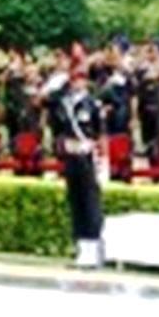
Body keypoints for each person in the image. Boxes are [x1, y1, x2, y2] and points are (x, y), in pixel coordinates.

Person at [53, 65, 107, 268]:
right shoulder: (63, 104)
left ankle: (93, 246)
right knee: (75, 200)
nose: (76, 82)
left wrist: (103, 159)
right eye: (74, 78)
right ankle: (81, 244)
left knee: (90, 201)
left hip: (87, 156)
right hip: (71, 156)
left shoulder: (92, 104)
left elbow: (101, 134)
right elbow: (58, 129)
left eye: (81, 79)